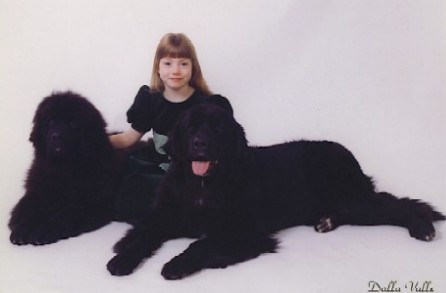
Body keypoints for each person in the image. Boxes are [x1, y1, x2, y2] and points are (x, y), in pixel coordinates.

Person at [110, 33, 232, 223]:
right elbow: (128, 138)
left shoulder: (205, 104)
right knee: (131, 186)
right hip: (159, 168)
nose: (176, 70)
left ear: (193, 68)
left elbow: (222, 148)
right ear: (158, 67)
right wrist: (96, 139)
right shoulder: (151, 100)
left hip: (192, 171)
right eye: (168, 63)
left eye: (183, 64)